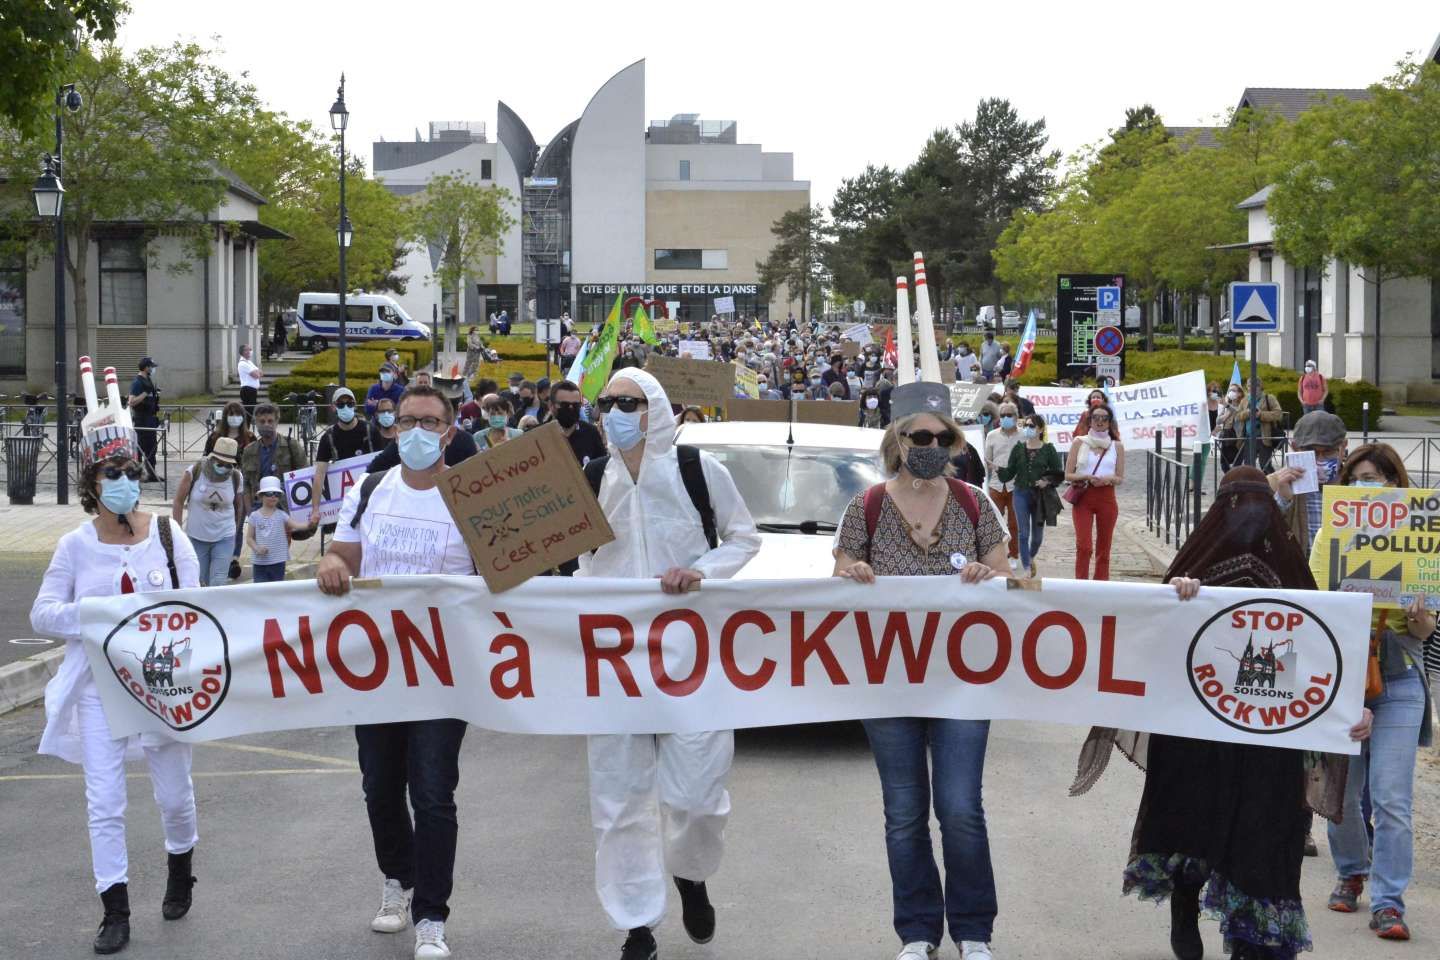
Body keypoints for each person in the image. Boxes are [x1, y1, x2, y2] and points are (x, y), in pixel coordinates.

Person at [1072, 466, 1371, 960]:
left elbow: (1325, 652)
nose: (1249, 517)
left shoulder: (1295, 573)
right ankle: (1184, 911)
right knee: (1190, 824)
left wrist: (1346, 707)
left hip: (1269, 743)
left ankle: (1251, 936)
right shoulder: (1194, 568)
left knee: (1262, 835)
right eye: (1237, 504)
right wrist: (1181, 601)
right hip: (1195, 738)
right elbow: (1149, 644)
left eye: (1259, 504)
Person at [578, 369, 761, 960]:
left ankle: (690, 873)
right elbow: (559, 561)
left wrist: (703, 570)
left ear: (654, 406)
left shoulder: (698, 472)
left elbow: (743, 538)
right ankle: (636, 924)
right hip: (613, 663)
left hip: (691, 661)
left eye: (627, 401)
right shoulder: (588, 478)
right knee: (618, 797)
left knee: (698, 794)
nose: (615, 412)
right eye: (606, 403)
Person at [833, 381, 1008, 960]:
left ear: (955, 442)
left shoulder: (975, 504)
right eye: (920, 436)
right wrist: (854, 571)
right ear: (898, 440)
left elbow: (1007, 576)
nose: (931, 444)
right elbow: (838, 572)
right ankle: (916, 931)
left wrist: (989, 577)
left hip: (963, 681)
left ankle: (973, 931)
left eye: (942, 436)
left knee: (960, 808)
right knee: (904, 812)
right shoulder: (866, 506)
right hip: (889, 682)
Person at [32, 411, 201, 955]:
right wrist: (96, 613)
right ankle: (115, 908)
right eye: (111, 474)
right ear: (91, 483)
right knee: (104, 803)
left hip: (164, 685)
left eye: (130, 471)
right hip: (99, 687)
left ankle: (181, 864)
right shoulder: (74, 547)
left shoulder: (171, 537)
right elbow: (43, 614)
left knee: (173, 796)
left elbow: (199, 608)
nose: (124, 482)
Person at [318, 385, 475, 960]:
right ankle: (398, 880)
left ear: (450, 432)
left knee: (432, 792)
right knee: (380, 786)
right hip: (378, 670)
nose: (415, 431)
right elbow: (341, 555)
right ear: (389, 427)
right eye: (406, 420)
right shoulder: (373, 487)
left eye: (430, 423)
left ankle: (432, 916)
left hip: (444, 670)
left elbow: (508, 577)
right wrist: (331, 565)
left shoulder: (473, 496)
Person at [1325, 443, 1434, 943]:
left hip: (1400, 675)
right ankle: (1351, 868)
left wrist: (1422, 625)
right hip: (1343, 674)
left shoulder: (1422, 539)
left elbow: (1429, 633)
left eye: (1380, 479)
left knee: (1391, 798)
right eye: (1360, 479)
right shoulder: (1330, 532)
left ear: (1397, 485)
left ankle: (1389, 903)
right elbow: (1310, 600)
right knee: (1343, 795)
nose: (1371, 487)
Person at [1265, 410, 1347, 554]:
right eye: (1312, 452)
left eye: (1328, 451)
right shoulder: (1272, 483)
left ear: (1343, 447)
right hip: (1300, 572)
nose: (1320, 460)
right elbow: (1259, 532)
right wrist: (1282, 499)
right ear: (1295, 447)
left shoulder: (1354, 482)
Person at [171, 436, 244, 587]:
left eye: (227, 464)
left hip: (224, 536)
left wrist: (235, 530)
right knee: (199, 581)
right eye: (219, 462)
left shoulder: (236, 476)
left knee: (218, 581)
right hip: (197, 535)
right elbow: (178, 501)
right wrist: (177, 531)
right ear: (212, 458)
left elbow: (239, 506)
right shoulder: (194, 471)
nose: (223, 466)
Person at [998, 413, 1062, 577]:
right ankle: (1026, 568)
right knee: (1023, 533)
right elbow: (1009, 473)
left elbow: (1058, 473)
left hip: (1040, 496)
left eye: (1031, 426)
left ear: (1040, 429)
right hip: (1020, 492)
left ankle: (1030, 557)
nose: (1027, 428)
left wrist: (1046, 481)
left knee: (1037, 538)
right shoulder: (1018, 448)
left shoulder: (1049, 449)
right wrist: (997, 468)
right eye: (1025, 425)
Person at [1065, 402, 1123, 580]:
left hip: (1106, 497)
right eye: (1096, 418)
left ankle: (1101, 586)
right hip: (1084, 498)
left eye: (1104, 418)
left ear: (1109, 422)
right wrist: (1086, 477)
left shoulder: (1117, 446)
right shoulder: (1079, 442)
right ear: (1089, 421)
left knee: (1104, 549)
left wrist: (1108, 479)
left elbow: (1120, 477)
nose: (1100, 422)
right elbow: (1068, 474)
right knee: (1084, 546)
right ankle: (1081, 584)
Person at [309, 387, 376, 529]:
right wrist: (315, 509)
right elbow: (320, 474)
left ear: (355, 405)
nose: (346, 407)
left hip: (371, 496)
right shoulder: (328, 437)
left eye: (349, 404)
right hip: (344, 502)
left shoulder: (370, 430)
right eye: (341, 404)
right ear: (333, 407)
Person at [238, 404, 308, 533]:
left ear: (277, 422)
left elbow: (306, 477)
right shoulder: (249, 450)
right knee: (260, 550)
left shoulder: (291, 445)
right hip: (258, 509)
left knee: (280, 549)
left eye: (270, 421)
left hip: (283, 508)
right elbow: (246, 484)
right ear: (255, 423)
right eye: (262, 421)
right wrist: (250, 513)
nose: (266, 424)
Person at [982, 401, 1023, 571]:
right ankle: (993, 556)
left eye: (1009, 415)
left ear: (1016, 416)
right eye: (1003, 415)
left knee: (1015, 523)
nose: (1006, 418)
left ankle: (1013, 555)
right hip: (996, 484)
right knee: (993, 523)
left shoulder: (1024, 435)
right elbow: (987, 459)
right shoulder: (992, 435)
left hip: (1017, 485)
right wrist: (992, 467)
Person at [245, 475, 308, 582]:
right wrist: (257, 548)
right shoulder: (254, 516)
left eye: (277, 494)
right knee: (260, 590)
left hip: (278, 561)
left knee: (277, 589)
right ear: (261, 496)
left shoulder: (282, 515)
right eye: (269, 493)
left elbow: (296, 525)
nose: (274, 497)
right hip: (260, 562)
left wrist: (310, 524)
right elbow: (249, 538)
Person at [1233, 377, 1284, 472]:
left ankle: (1272, 484)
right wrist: (1247, 413)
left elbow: (1278, 414)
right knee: (1248, 466)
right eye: (1249, 386)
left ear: (1260, 387)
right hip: (1248, 438)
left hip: (1264, 437)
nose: (1252, 389)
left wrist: (1261, 414)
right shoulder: (1244, 400)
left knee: (1265, 465)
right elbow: (1237, 416)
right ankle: (1252, 485)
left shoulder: (1269, 398)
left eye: (1255, 386)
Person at [551, 380, 606, 465]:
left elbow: (602, 468)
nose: (571, 408)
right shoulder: (540, 435)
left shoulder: (591, 433)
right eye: (565, 405)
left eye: (576, 405)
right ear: (552, 406)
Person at [127, 357, 162, 482]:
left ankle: (152, 474)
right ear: (146, 367)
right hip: (141, 419)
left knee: (152, 448)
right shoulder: (138, 382)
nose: (153, 369)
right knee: (140, 447)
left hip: (150, 419)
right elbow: (131, 402)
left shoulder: (148, 380)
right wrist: (144, 394)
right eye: (151, 367)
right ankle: (138, 474)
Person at [236, 344, 263, 417]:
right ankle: (245, 427)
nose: (250, 351)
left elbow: (261, 373)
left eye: (250, 350)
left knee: (251, 411)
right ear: (243, 352)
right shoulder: (243, 363)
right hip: (247, 390)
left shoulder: (249, 362)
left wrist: (257, 372)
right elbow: (256, 375)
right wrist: (257, 372)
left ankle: (247, 427)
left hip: (252, 390)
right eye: (248, 350)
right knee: (248, 412)